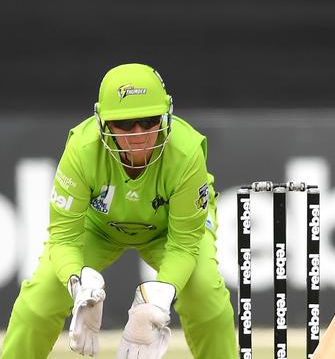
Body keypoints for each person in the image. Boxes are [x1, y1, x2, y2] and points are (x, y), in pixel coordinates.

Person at [1, 63, 237, 358]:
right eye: (124, 124)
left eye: (149, 120)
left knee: (207, 299)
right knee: (38, 301)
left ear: (166, 115)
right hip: (99, 228)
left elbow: (185, 243)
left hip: (166, 233)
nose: (138, 134)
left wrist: (157, 299)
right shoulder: (82, 150)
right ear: (103, 123)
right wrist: (78, 285)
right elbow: (63, 238)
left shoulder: (187, 151)